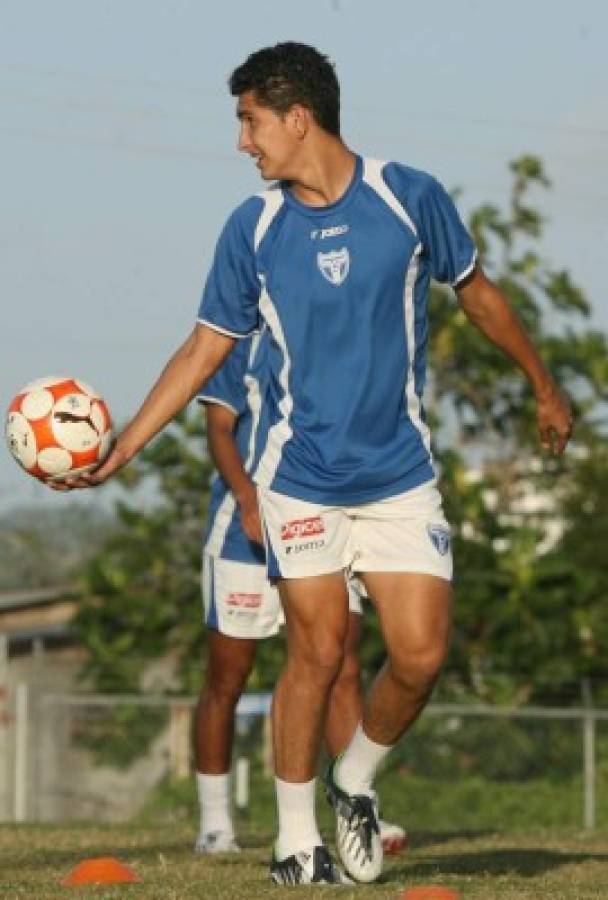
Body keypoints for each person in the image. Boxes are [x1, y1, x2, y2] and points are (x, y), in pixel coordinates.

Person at [53, 42, 573, 886]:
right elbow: (202, 349)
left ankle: (354, 778)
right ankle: (297, 842)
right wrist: (122, 449)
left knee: (419, 657)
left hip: (400, 476)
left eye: (249, 121)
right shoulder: (251, 228)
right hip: (300, 480)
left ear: (299, 118)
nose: (242, 143)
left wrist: (543, 384)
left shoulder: (408, 196)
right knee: (319, 649)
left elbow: (476, 291)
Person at [194, 326, 407, 855]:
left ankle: (359, 813)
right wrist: (246, 498)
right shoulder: (234, 338)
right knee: (228, 677)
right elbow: (219, 428)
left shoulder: (322, 329)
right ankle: (215, 824)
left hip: (320, 517)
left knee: (342, 666)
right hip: (245, 535)